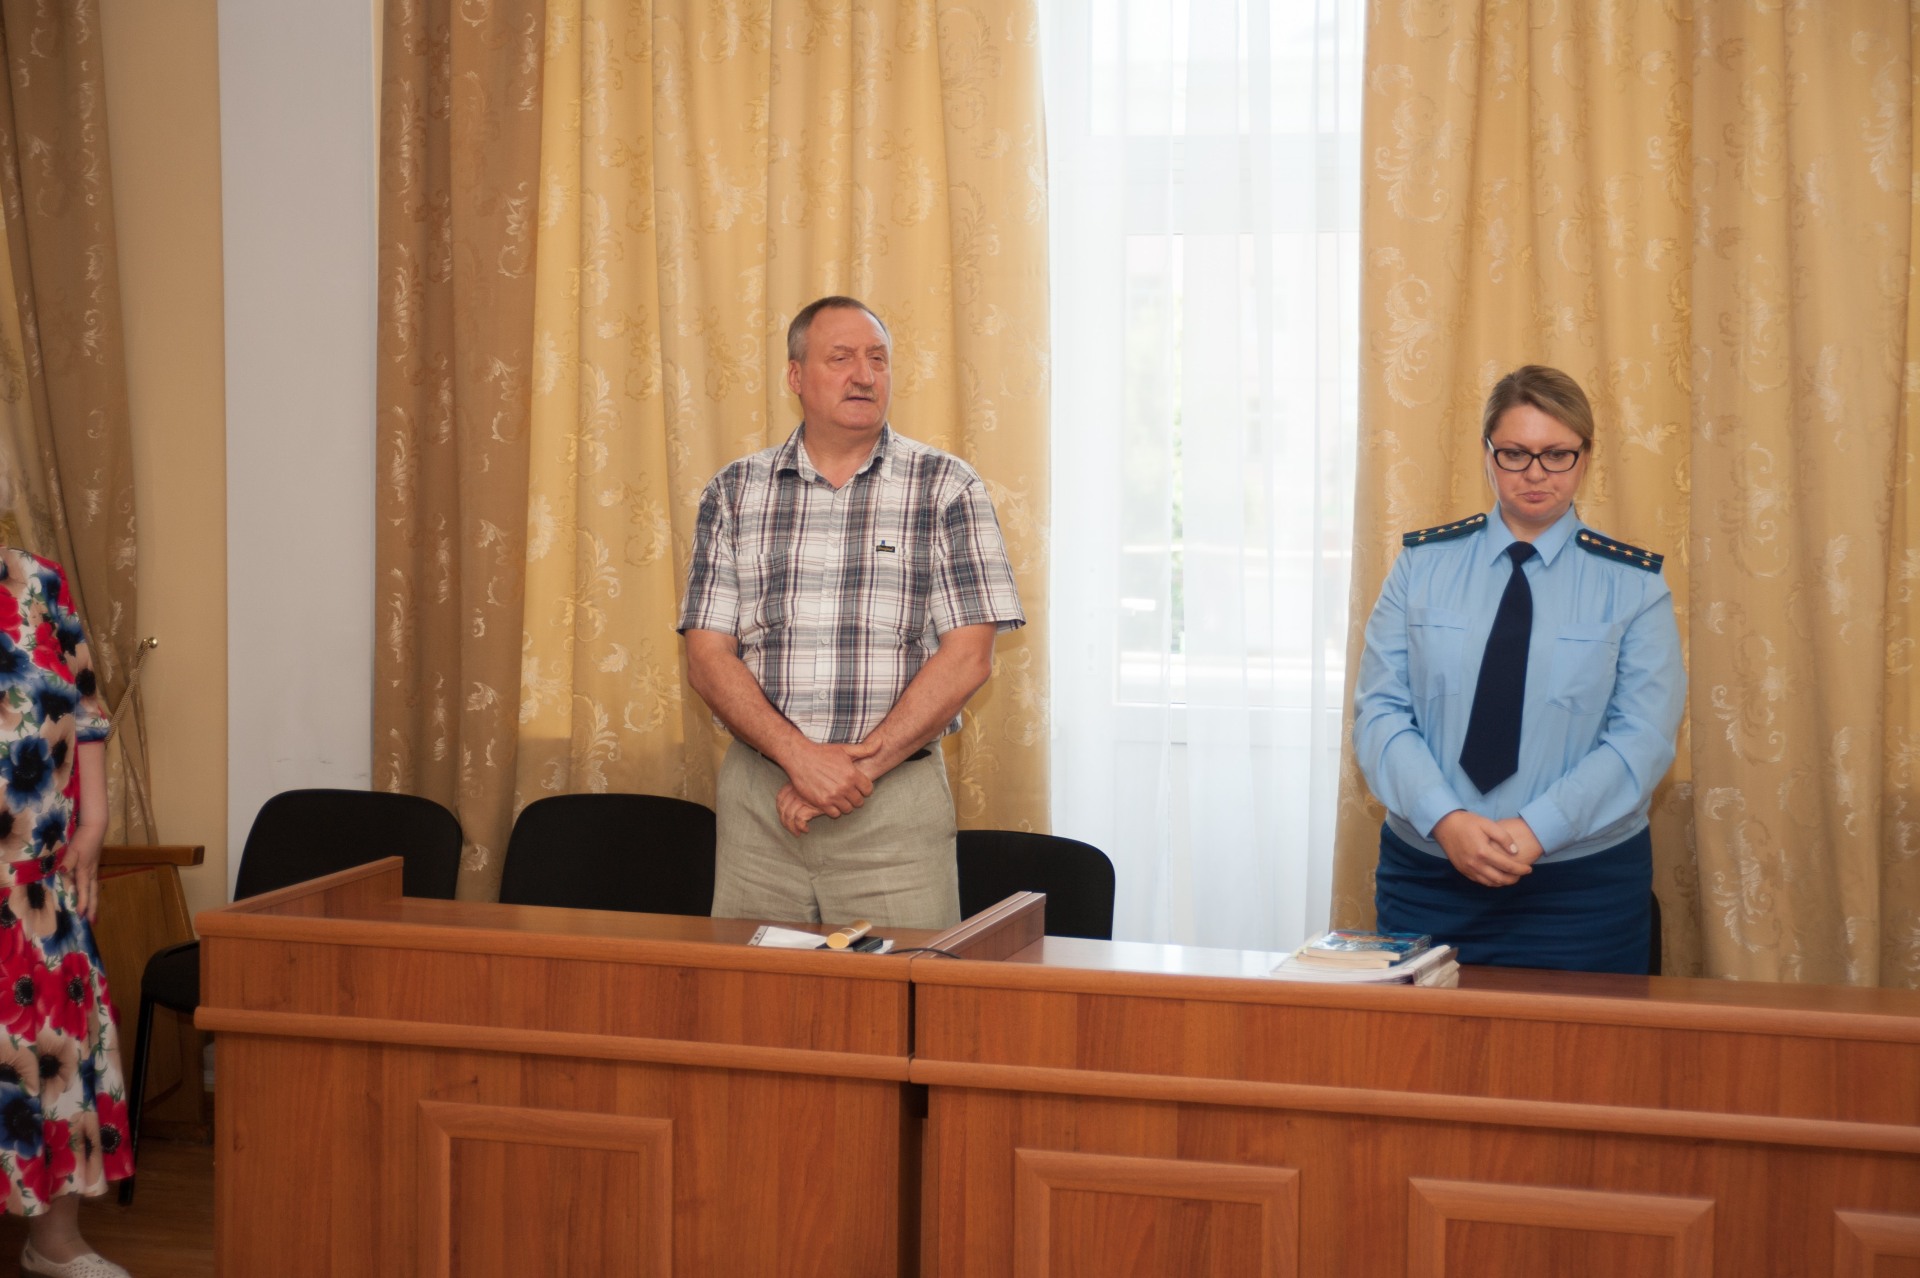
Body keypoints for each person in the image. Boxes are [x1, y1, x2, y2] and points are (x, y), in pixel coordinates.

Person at [678, 296, 1025, 929]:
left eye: (877, 359)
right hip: (761, 808)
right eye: (840, 358)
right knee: (752, 987)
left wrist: (853, 770)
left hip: (894, 809)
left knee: (904, 986)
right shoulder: (733, 491)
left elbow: (969, 657)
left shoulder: (947, 487)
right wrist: (799, 758)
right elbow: (706, 657)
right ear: (795, 376)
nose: (863, 375)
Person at [1352, 365, 1685, 973]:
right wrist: (1446, 820)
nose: (1535, 473)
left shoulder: (1634, 585)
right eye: (1515, 453)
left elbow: (1642, 738)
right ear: (1488, 455)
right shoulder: (1419, 567)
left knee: (1577, 1039)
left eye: (1557, 454)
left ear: (1586, 458)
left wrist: (1537, 829)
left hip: (1580, 890)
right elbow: (1380, 712)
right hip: (1429, 875)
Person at [0, 548, 134, 1278]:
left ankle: (53, 1242)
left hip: (38, 883)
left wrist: (96, 820)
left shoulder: (39, 580)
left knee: (56, 1056)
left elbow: (86, 710)